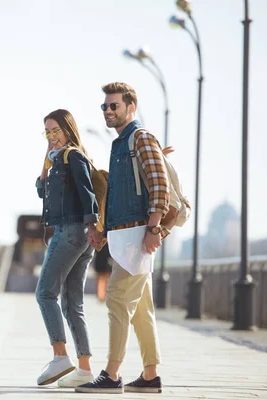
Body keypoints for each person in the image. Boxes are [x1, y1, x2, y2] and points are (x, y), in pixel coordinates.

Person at [77, 82, 169, 394]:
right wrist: (104, 229)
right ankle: (150, 374)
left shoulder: (140, 137)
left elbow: (159, 183)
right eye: (104, 106)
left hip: (137, 234)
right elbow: (117, 194)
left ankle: (112, 374)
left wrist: (154, 228)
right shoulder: (120, 144)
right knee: (141, 309)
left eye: (113, 106)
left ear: (130, 106)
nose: (107, 111)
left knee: (117, 300)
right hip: (123, 235)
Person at [34, 109, 100, 388]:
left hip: (71, 231)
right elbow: (41, 190)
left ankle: (60, 356)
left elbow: (87, 193)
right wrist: (46, 164)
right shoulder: (57, 160)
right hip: (79, 235)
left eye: (55, 131)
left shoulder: (73, 156)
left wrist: (93, 224)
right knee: (72, 304)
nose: (51, 137)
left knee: (44, 294)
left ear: (67, 129)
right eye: (47, 132)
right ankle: (84, 369)